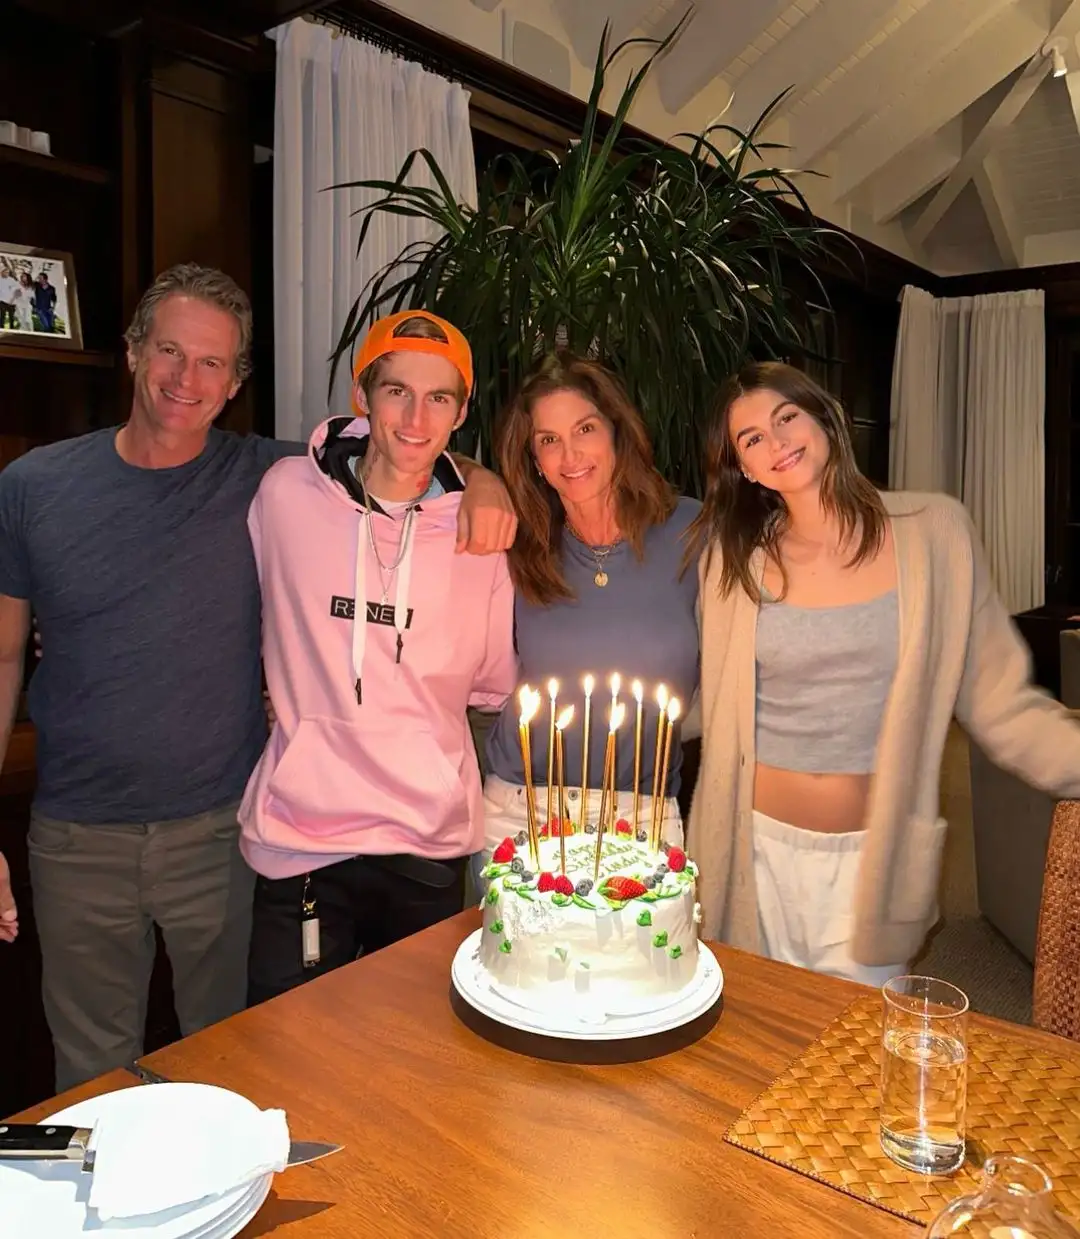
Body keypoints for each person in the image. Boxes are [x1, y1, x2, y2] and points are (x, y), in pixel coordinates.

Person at [0, 265, 515, 1090]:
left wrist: (487, 482)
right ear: (132, 353)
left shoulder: (266, 474)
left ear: (237, 384)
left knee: (237, 1065)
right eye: (169, 350)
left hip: (219, 832)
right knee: (90, 1073)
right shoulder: (45, 487)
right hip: (81, 834)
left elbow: (410, 462)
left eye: (212, 364)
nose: (185, 378)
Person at [686, 360, 1080, 985]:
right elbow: (713, 698)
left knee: (859, 1061)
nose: (776, 441)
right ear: (743, 467)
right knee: (761, 1054)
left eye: (787, 417)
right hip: (748, 853)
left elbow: (1000, 701)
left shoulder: (931, 534)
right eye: (751, 438)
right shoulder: (734, 558)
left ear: (824, 418)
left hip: (873, 860)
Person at [242, 309, 517, 1003]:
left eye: (440, 398)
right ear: (362, 397)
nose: (417, 417)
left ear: (461, 411)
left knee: (411, 1070)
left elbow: (491, 685)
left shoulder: (481, 534)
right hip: (300, 839)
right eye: (397, 391)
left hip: (425, 842)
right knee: (286, 1060)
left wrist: (485, 481)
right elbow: (233, 606)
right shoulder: (284, 496)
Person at [475, 353, 700, 887]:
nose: (569, 454)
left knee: (637, 966)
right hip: (521, 805)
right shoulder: (518, 544)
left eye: (585, 429)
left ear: (618, 433)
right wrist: (476, 473)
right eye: (548, 440)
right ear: (532, 458)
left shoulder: (693, 531)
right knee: (518, 966)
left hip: (641, 812)